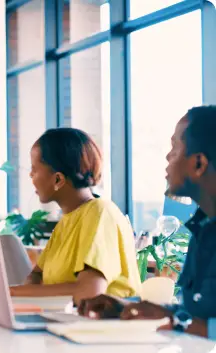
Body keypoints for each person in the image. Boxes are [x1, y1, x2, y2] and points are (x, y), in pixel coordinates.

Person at [79, 106, 216, 339]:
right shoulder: (203, 229)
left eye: (175, 148)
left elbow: (202, 326)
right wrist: (148, 309)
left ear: (199, 164)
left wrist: (179, 324)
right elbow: (200, 314)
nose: (167, 157)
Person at [8, 128, 141, 304]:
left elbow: (88, 293)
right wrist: (24, 288)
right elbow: (37, 275)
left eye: (34, 169)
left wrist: (12, 292)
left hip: (107, 326)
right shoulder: (68, 219)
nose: (31, 176)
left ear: (58, 180)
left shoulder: (99, 213)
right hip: (70, 321)